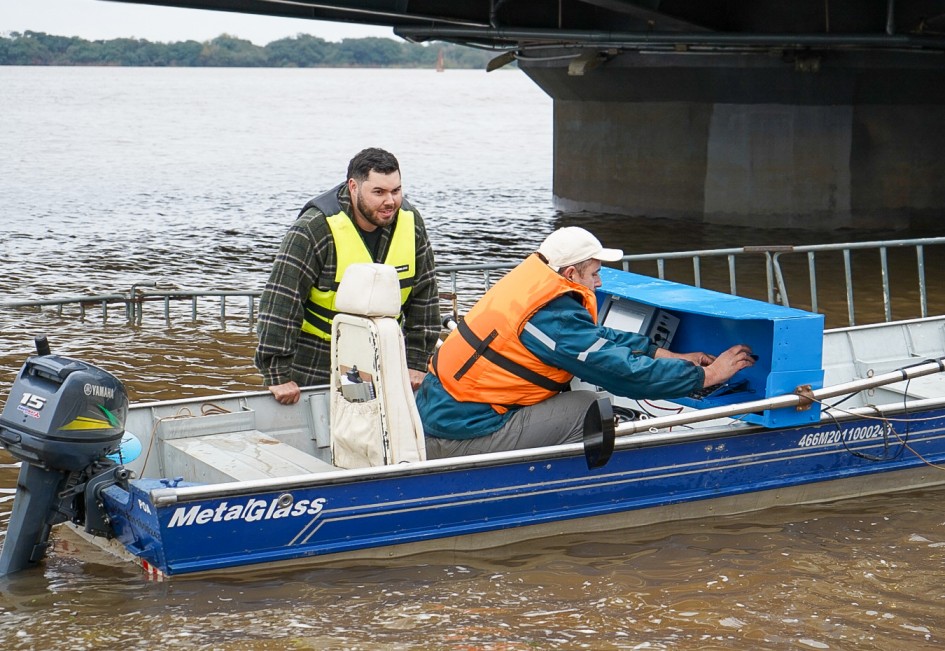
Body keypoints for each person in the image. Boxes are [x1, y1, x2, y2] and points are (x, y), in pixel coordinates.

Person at [416, 226, 754, 459]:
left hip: (438, 416)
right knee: (587, 407)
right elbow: (623, 374)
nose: (599, 280)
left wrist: (669, 354)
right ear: (571, 275)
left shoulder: (531, 290)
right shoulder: (553, 315)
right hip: (460, 436)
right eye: (593, 272)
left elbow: (598, 339)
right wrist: (707, 377)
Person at [255, 148, 441, 405]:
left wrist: (417, 361)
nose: (390, 201)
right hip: (319, 357)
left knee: (367, 428)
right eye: (378, 192)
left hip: (381, 354)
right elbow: (281, 301)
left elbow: (425, 297)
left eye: (396, 191)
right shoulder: (314, 229)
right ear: (353, 186)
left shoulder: (410, 222)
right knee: (329, 430)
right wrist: (276, 374)